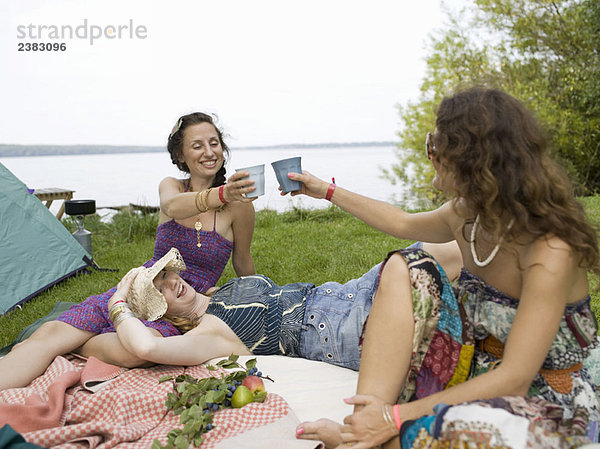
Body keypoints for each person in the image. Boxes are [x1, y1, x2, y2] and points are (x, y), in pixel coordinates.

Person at [284, 87, 600, 448]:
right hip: (475, 366)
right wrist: (324, 190)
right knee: (406, 267)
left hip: (546, 394)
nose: (429, 152)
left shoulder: (549, 249)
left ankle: (368, 435)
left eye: (435, 144)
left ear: (468, 159)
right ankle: (364, 423)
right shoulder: (468, 215)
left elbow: (515, 378)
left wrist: (397, 417)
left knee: (441, 436)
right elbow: (402, 222)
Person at [0, 113, 258, 390]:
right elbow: (172, 206)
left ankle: (83, 343)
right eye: (197, 146)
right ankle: (67, 340)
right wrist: (222, 194)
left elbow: (242, 260)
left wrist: (258, 297)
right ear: (181, 155)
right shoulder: (171, 186)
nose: (209, 152)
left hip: (184, 303)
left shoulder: (239, 207)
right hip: (143, 284)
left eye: (214, 143)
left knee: (139, 351)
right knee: (51, 333)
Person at [0, 242, 461, 392]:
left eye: (165, 277)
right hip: (335, 327)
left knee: (447, 251)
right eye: (161, 296)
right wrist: (118, 306)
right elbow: (141, 348)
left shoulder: (219, 293)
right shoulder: (209, 330)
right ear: (170, 319)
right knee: (443, 291)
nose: (171, 286)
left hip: (341, 290)